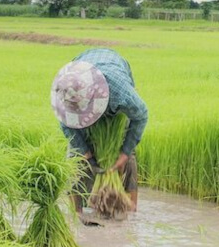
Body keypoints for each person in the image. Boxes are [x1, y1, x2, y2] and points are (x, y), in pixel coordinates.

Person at [50, 48, 148, 225]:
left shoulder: (120, 92)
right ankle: (77, 213)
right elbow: (66, 124)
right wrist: (86, 153)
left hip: (112, 79)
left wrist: (124, 153)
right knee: (76, 157)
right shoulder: (66, 91)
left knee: (126, 151)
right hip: (83, 70)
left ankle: (131, 211)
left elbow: (141, 116)